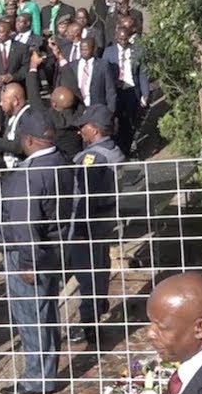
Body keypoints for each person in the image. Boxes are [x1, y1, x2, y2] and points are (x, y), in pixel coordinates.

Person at [0, 110, 72, 394]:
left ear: (27, 140)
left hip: (29, 255)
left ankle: (37, 379)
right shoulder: (61, 162)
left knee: (31, 318)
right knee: (45, 314)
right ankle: (44, 373)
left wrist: (27, 262)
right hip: (52, 249)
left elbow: (25, 223)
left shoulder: (27, 176)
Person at [65, 105, 126, 345]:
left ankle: (88, 323)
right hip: (106, 219)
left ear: (94, 129)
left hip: (89, 222)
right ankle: (98, 306)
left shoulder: (92, 158)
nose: (80, 132)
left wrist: (79, 228)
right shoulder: (114, 150)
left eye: (83, 127)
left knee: (87, 273)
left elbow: (86, 197)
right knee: (100, 266)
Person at [103, 26, 150, 156]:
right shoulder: (108, 52)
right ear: (116, 38)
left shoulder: (137, 51)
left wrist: (145, 94)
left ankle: (128, 148)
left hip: (131, 90)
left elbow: (142, 74)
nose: (123, 42)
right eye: (120, 39)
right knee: (115, 119)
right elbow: (105, 73)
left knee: (130, 121)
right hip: (115, 90)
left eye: (125, 39)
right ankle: (117, 147)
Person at [59, 37, 117, 113]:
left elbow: (110, 89)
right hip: (77, 108)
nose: (83, 52)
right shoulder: (72, 66)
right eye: (81, 49)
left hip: (96, 108)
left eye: (86, 49)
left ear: (93, 49)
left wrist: (110, 110)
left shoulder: (102, 66)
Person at [46, 86, 83, 162]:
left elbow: (35, 102)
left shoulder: (50, 119)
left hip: (59, 161)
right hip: (78, 160)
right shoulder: (81, 116)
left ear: (54, 104)